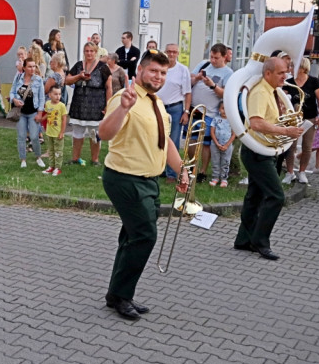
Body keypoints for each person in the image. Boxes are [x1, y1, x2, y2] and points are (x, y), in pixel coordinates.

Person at [98, 50, 188, 320]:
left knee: (131, 236)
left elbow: (166, 140)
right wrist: (124, 107)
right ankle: (123, 295)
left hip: (149, 181)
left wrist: (181, 170)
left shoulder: (156, 102)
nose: (158, 77)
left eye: (163, 73)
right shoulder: (125, 98)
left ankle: (116, 294)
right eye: (153, 71)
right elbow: (104, 133)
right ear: (140, 71)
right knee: (144, 236)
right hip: (126, 178)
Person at [234, 57, 304, 261]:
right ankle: (260, 242)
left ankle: (243, 240)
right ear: (268, 74)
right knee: (276, 196)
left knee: (254, 196)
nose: (286, 76)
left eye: (286, 72)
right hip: (257, 152)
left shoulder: (273, 91)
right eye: (281, 73)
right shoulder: (260, 92)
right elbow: (256, 123)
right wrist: (285, 130)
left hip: (265, 149)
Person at [190, 43, 233, 182]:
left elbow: (225, 95)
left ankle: (202, 171)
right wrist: (197, 78)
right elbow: (190, 80)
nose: (213, 60)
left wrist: (213, 86)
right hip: (194, 109)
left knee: (206, 144)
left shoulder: (228, 73)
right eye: (212, 57)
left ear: (224, 57)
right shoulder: (204, 64)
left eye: (216, 58)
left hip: (210, 112)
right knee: (191, 140)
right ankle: (191, 167)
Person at [65, 42, 112, 166]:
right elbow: (67, 80)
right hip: (79, 103)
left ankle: (95, 159)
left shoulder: (103, 67)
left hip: (96, 105)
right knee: (77, 132)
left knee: (94, 133)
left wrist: (108, 105)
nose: (89, 53)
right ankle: (75, 158)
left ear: (96, 52)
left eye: (91, 51)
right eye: (86, 51)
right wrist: (79, 77)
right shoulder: (79, 65)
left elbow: (109, 87)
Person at [281, 58, 319, 185]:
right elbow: (281, 99)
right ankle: (290, 172)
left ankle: (302, 171)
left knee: (307, 146)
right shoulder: (288, 82)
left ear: (302, 68)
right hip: (293, 119)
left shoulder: (314, 82)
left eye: (293, 66)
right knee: (291, 146)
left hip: (309, 117)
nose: (291, 68)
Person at [9, 57, 46, 168]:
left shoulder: (38, 80)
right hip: (21, 112)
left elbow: (41, 98)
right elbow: (12, 92)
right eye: (29, 66)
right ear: (24, 68)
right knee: (21, 136)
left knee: (34, 136)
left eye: (34, 66)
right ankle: (23, 159)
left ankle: (38, 157)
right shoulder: (18, 78)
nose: (32, 69)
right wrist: (14, 99)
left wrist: (40, 113)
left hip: (33, 112)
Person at [41, 85, 68, 175]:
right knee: (51, 150)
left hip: (58, 133)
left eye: (59, 94)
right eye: (55, 94)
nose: (58, 96)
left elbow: (64, 119)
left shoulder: (62, 106)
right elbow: (48, 114)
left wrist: (62, 132)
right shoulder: (48, 104)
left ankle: (58, 167)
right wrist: (41, 119)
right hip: (49, 132)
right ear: (50, 95)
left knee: (58, 151)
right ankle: (51, 166)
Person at [209, 101, 235, 187]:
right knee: (215, 161)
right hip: (215, 144)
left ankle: (224, 179)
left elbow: (233, 134)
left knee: (225, 162)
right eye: (223, 108)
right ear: (219, 109)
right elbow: (212, 132)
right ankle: (215, 177)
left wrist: (227, 145)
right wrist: (216, 143)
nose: (225, 111)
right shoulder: (216, 119)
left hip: (227, 146)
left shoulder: (232, 121)